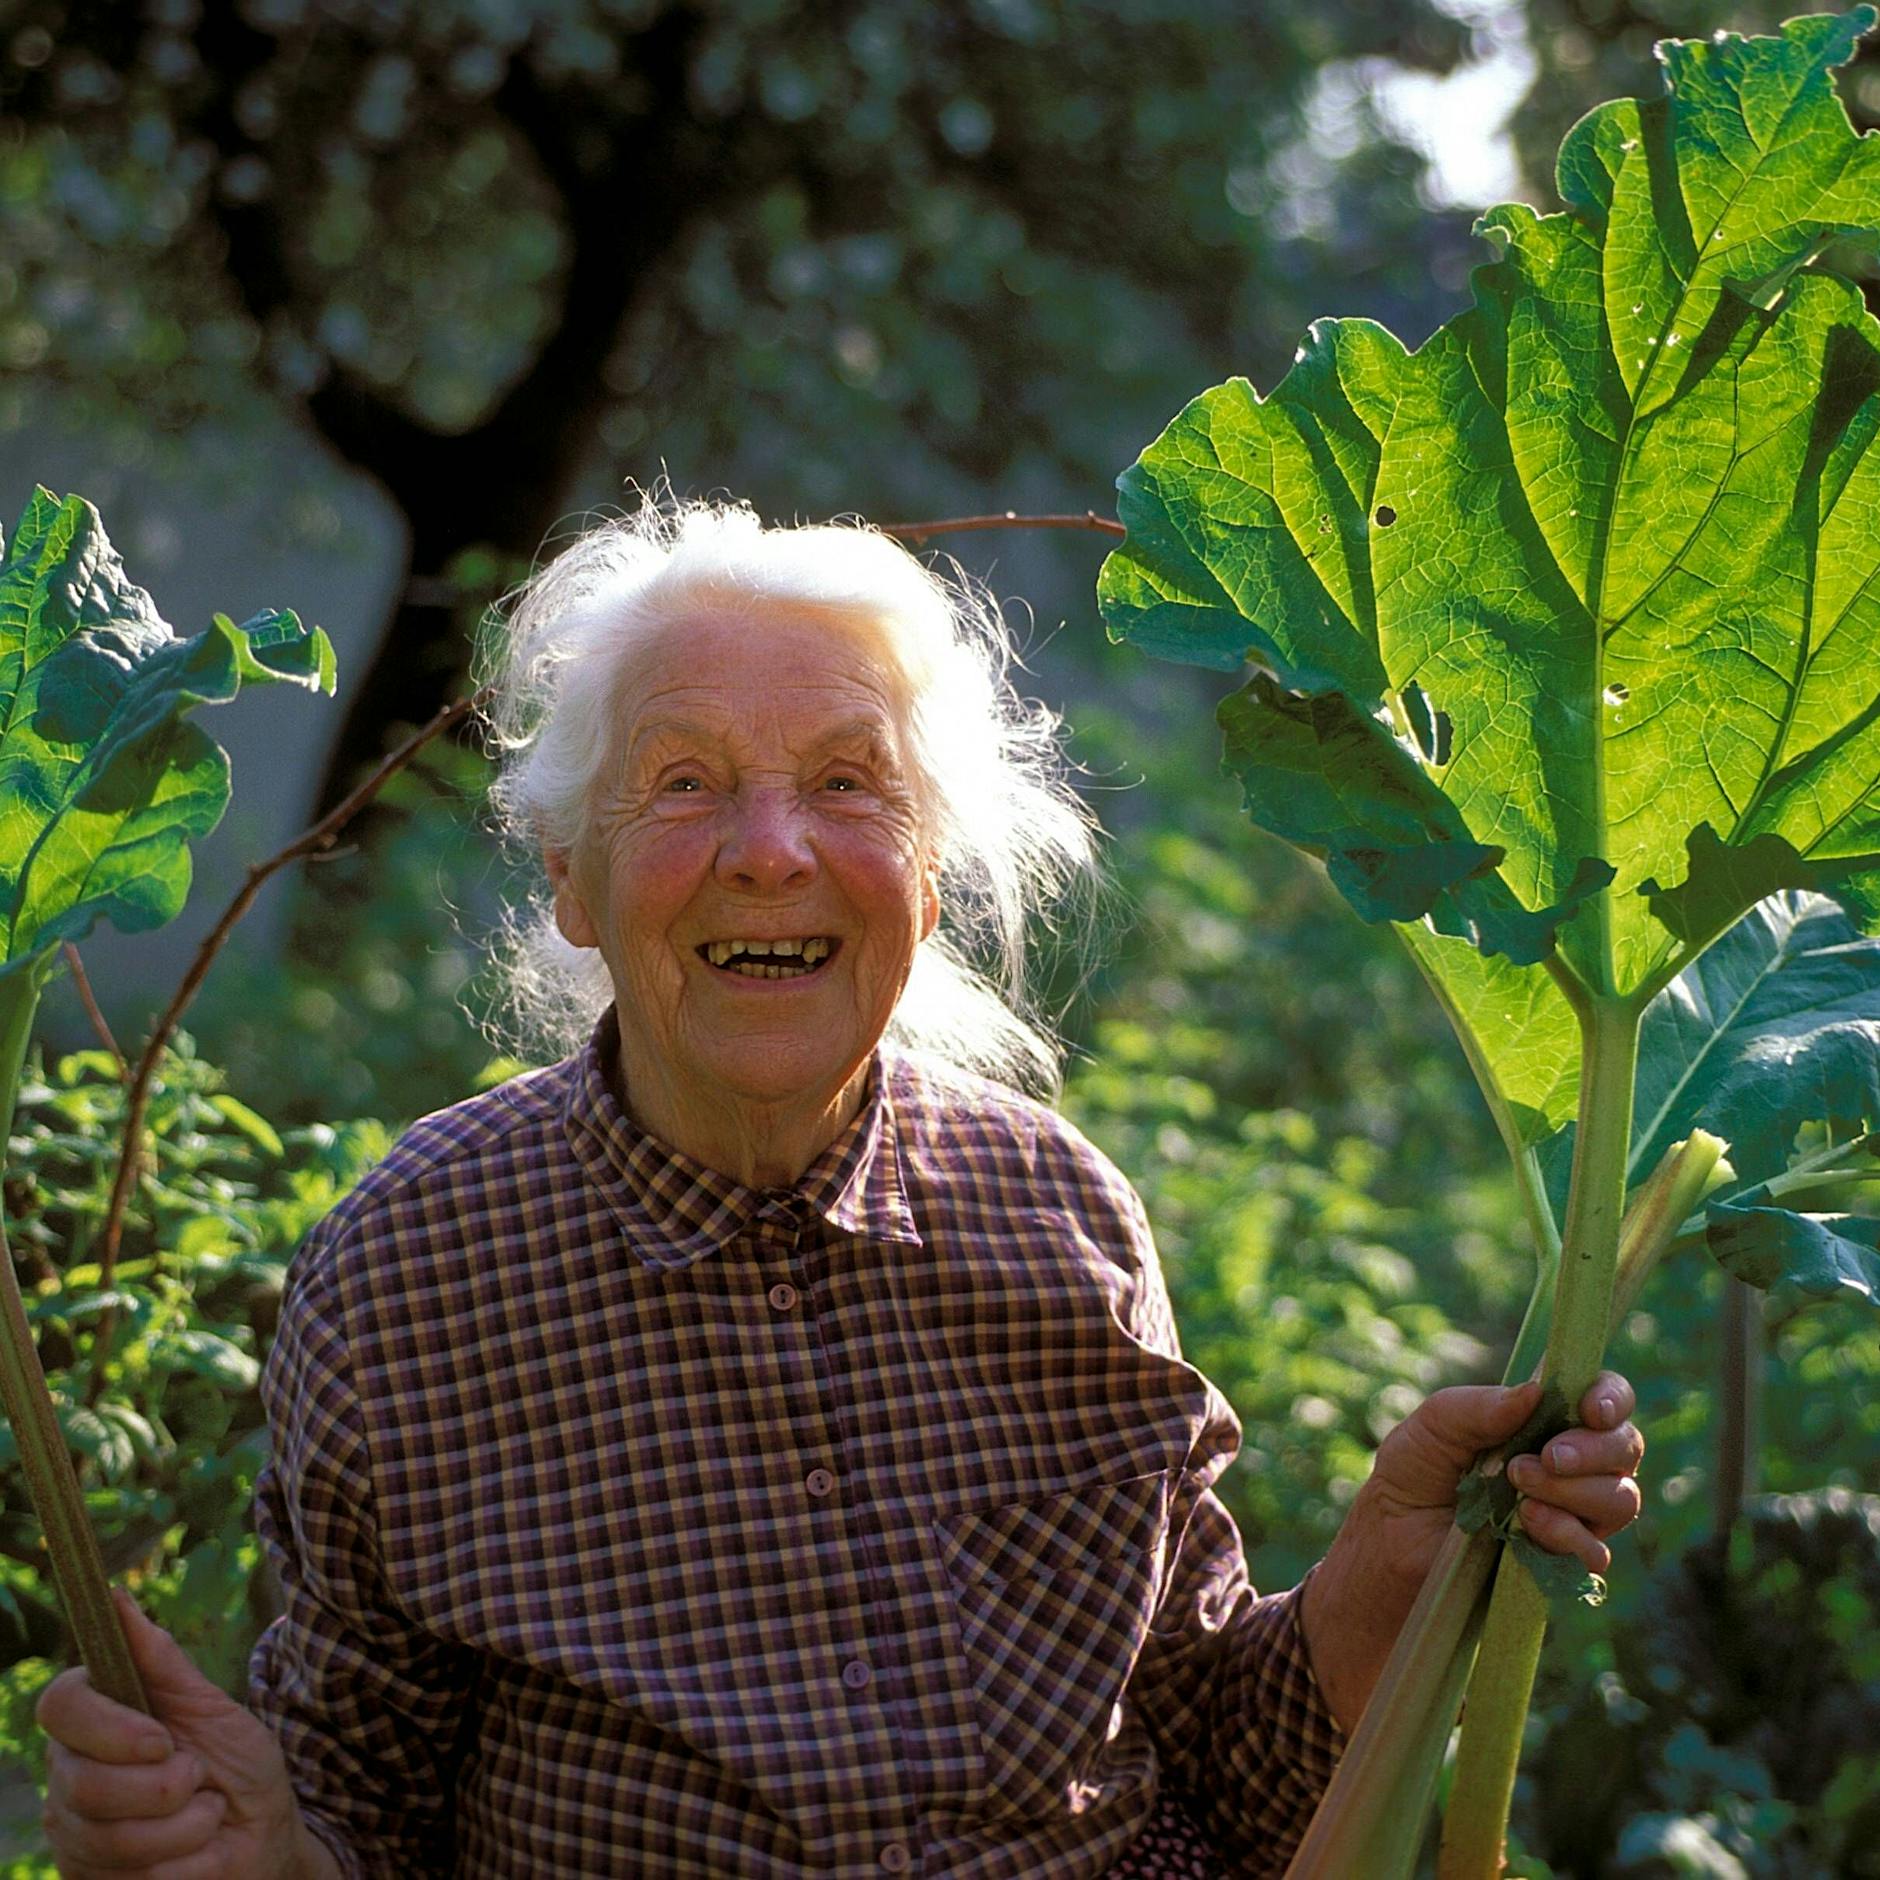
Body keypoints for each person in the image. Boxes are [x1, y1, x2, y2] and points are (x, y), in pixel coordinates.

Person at [36, 499, 1645, 1878]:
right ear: (570, 881)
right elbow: (359, 1826)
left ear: (929, 883)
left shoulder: (1060, 1218)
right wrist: (256, 1849)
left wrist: (1394, 1555)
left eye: (847, 784)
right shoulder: (416, 1270)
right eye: (683, 783)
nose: (770, 849)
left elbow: (1219, 1762)